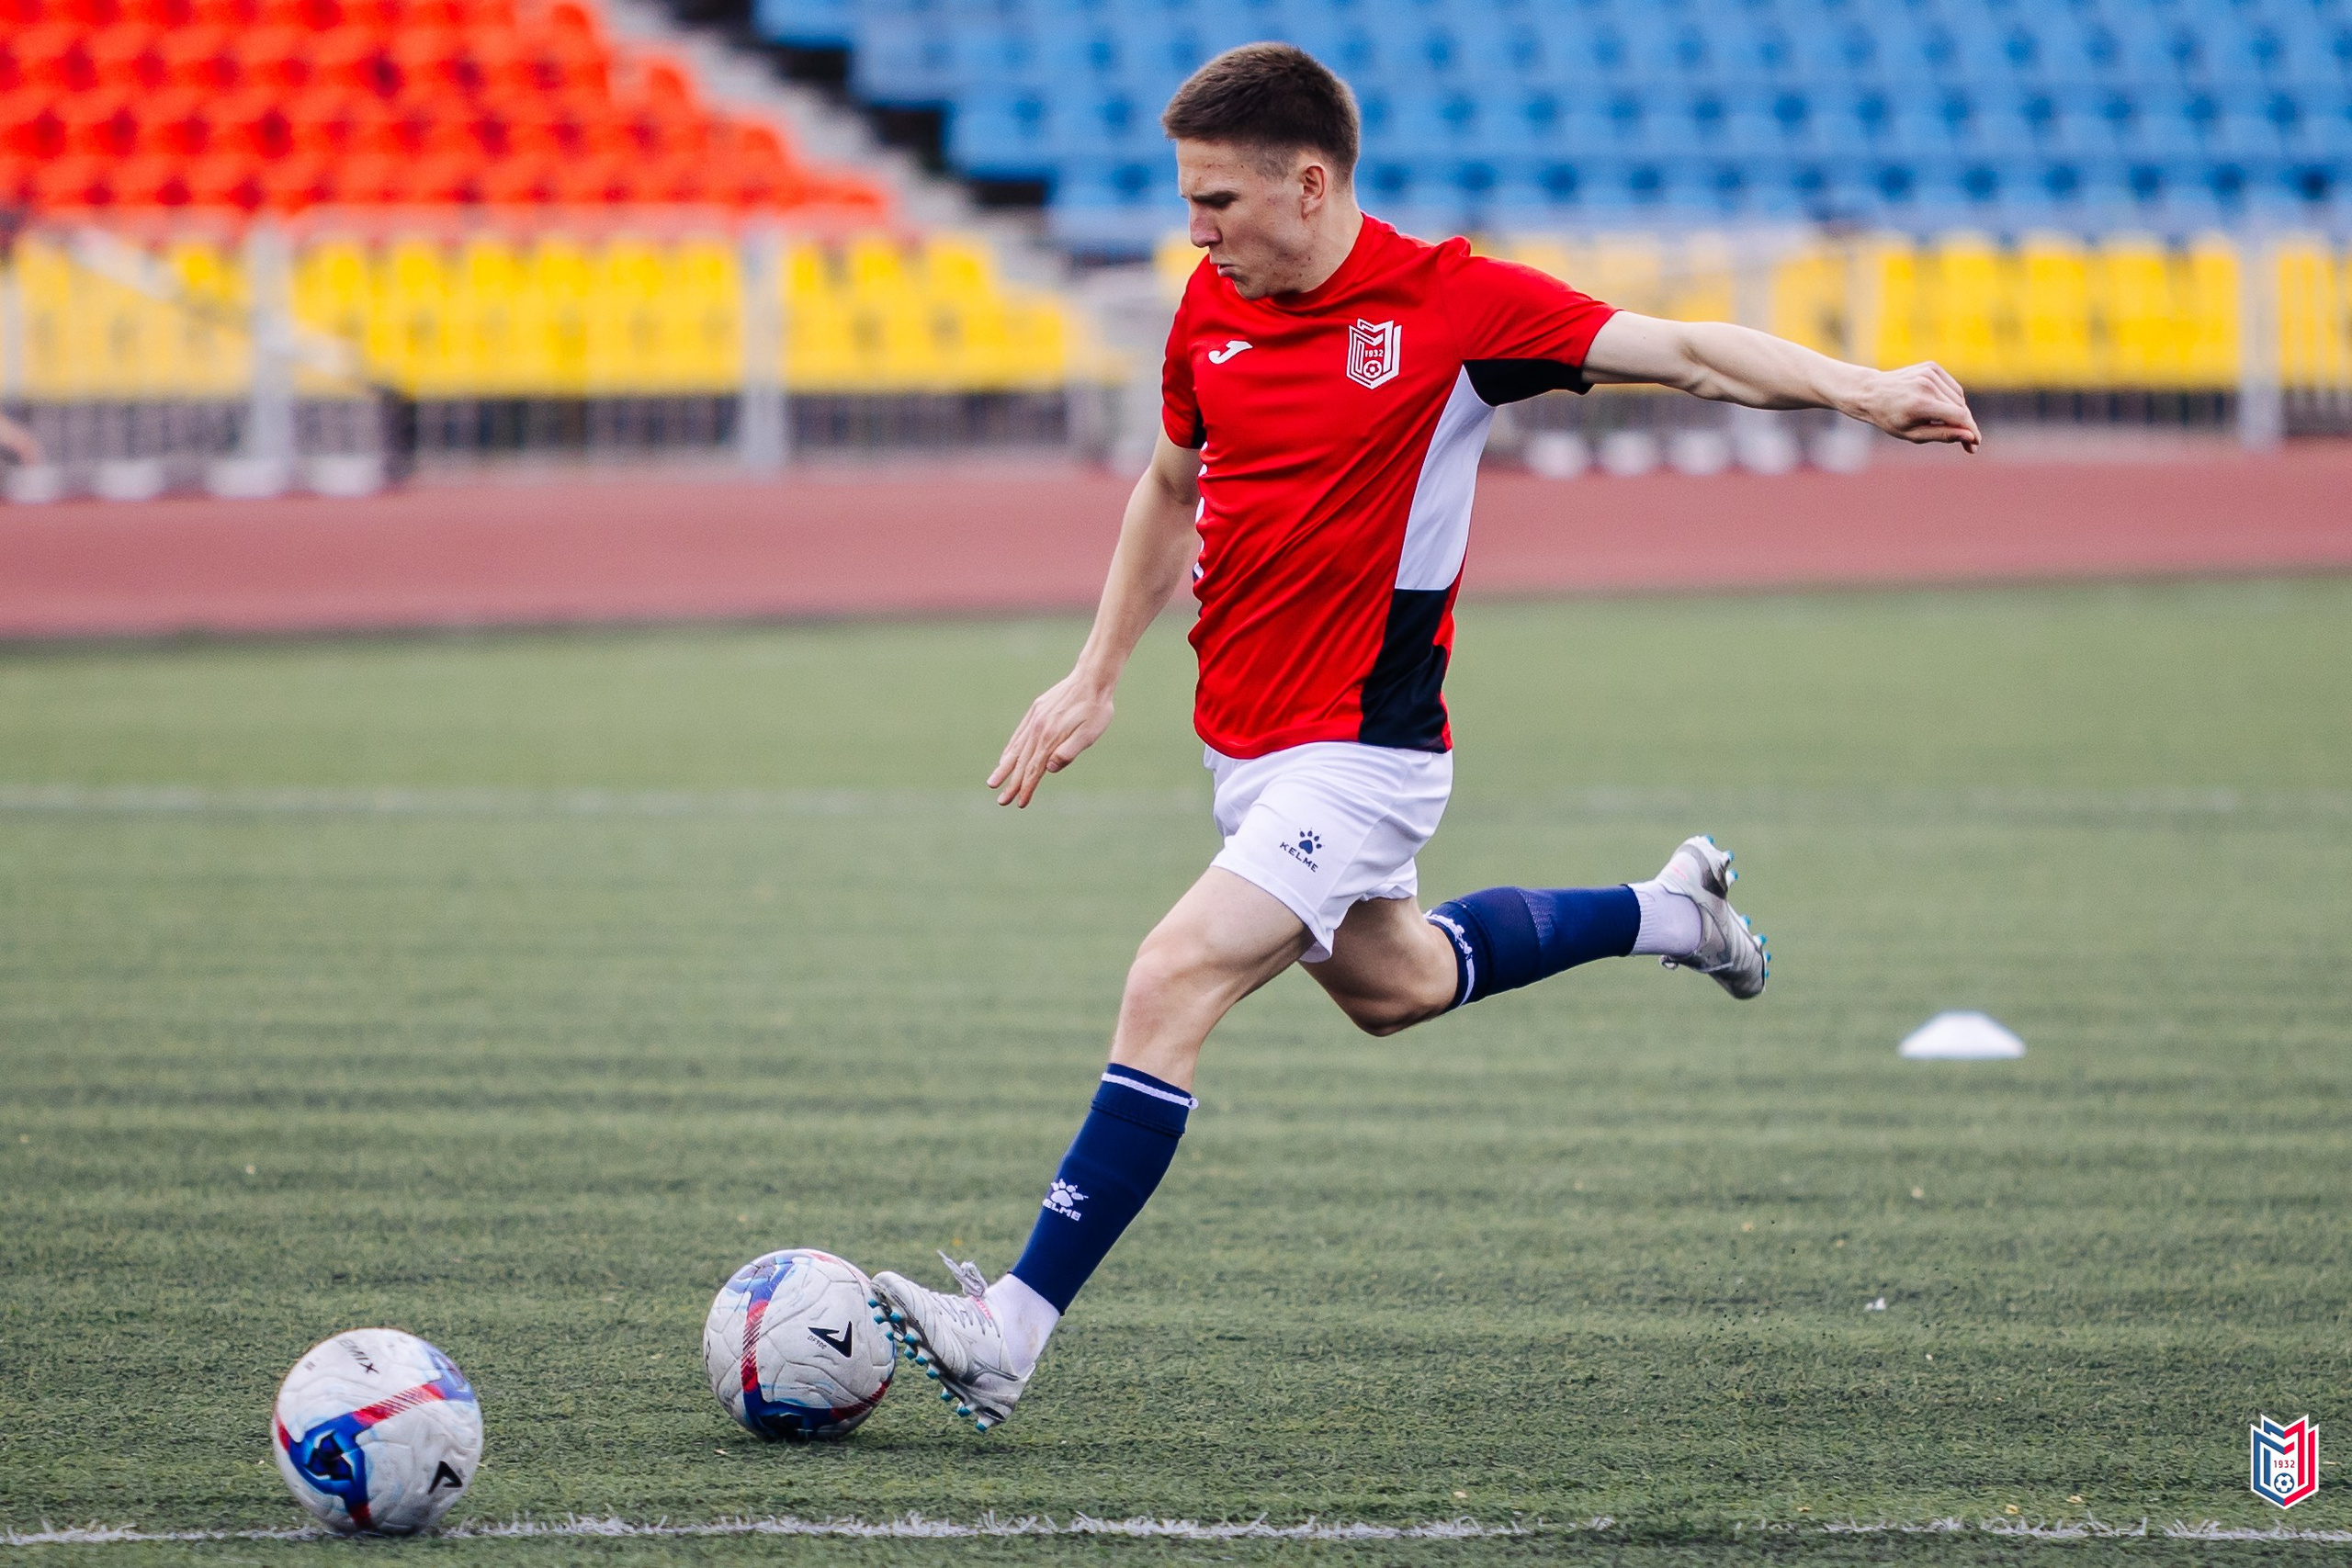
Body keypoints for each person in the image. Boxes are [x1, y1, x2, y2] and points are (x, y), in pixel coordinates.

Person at [869, 43, 1981, 1432]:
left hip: (1366, 756)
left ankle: (1008, 1333)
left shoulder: (1450, 307)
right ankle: (1674, 913)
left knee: (1167, 982)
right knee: (1396, 983)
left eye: (1215, 200)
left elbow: (1686, 353)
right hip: (1250, 754)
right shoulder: (1206, 312)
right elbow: (1168, 485)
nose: (1193, 229)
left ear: (1311, 183)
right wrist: (1097, 673)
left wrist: (1861, 388)